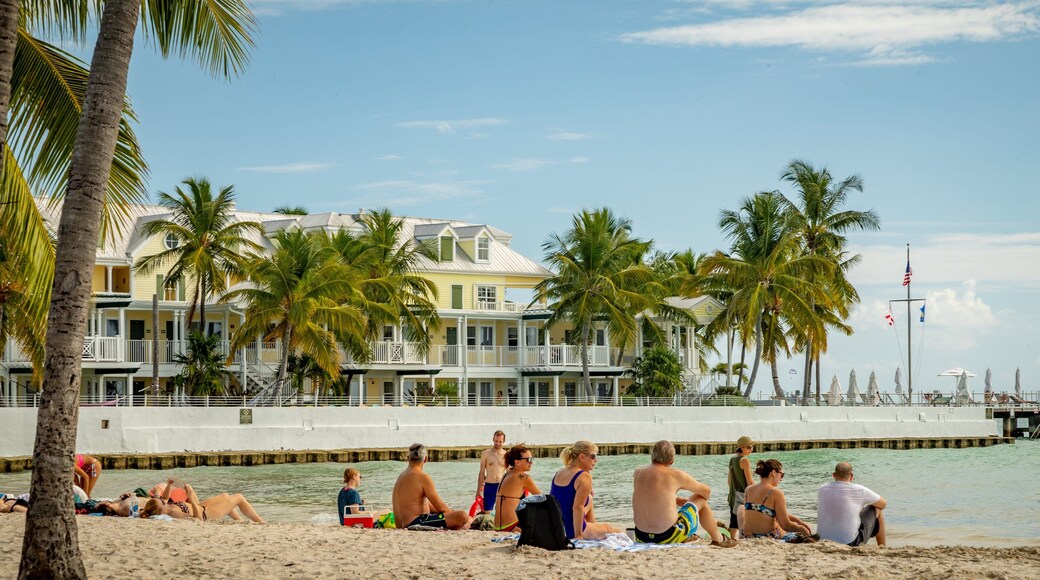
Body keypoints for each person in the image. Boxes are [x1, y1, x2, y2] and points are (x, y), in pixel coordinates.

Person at [632, 440, 738, 547]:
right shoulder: (675, 475)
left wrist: (676, 500)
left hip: (641, 536)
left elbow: (650, 495)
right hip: (666, 536)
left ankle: (687, 537)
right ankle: (718, 539)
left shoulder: (638, 472)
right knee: (700, 498)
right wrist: (691, 500)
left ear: (652, 455)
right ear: (672, 460)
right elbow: (706, 492)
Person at [549, 440, 620, 541]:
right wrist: (578, 536)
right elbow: (577, 508)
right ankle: (588, 531)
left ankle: (592, 527)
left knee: (589, 499)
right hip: (571, 530)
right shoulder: (583, 477)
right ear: (582, 457)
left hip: (556, 527)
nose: (596, 461)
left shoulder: (560, 472)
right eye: (593, 457)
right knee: (611, 529)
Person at [392, 443, 470, 530]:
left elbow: (426, 503)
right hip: (416, 522)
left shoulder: (402, 476)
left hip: (401, 524)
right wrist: (453, 515)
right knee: (462, 516)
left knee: (452, 514)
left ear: (408, 458)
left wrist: (450, 513)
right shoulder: (422, 476)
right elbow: (441, 507)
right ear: (426, 459)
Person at [817, 462, 887, 547]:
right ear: (851, 476)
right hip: (850, 542)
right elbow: (883, 504)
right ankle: (882, 546)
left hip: (823, 540)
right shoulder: (859, 490)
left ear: (834, 475)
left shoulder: (822, 489)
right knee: (877, 509)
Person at [740, 459, 812, 541]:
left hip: (747, 535)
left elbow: (765, 512)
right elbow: (785, 524)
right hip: (766, 537)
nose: (781, 479)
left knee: (741, 509)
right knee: (782, 527)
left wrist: (798, 521)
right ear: (773, 473)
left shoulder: (748, 489)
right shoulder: (775, 492)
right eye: (782, 475)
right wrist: (803, 529)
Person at [140, 479, 265, 523]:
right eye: (161, 502)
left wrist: (169, 484)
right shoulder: (172, 513)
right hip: (206, 514)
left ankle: (240, 521)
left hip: (202, 506)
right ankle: (262, 522)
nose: (163, 501)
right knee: (239, 497)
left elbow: (165, 498)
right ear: (160, 510)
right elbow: (198, 520)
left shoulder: (164, 507)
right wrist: (191, 499)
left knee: (225, 495)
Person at [493, 444, 542, 532]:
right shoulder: (523, 477)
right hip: (513, 526)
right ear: (517, 462)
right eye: (528, 459)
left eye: (531, 459)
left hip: (498, 527)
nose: (531, 462)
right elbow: (542, 498)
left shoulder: (507, 474)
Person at [727, 435, 755, 539]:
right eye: (749, 447)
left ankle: (732, 539)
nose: (751, 450)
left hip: (733, 496)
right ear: (742, 448)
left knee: (733, 521)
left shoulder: (732, 459)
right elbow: (750, 483)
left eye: (751, 447)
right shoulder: (744, 461)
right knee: (745, 519)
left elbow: (729, 481)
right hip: (743, 496)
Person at [476, 430, 506, 512]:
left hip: (501, 487)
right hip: (489, 486)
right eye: (496, 441)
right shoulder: (485, 454)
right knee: (487, 512)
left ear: (504, 441)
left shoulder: (506, 455)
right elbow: (481, 472)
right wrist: (478, 490)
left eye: (500, 441)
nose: (498, 443)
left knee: (502, 512)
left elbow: (510, 473)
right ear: (493, 439)